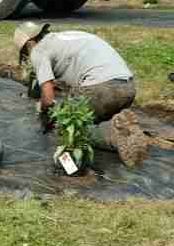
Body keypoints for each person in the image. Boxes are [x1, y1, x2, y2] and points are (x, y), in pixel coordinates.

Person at [14, 21, 147, 167]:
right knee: (89, 111)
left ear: (29, 43)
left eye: (25, 52)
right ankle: (118, 125)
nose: (28, 56)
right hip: (128, 88)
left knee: (68, 124)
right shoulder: (66, 37)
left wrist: (45, 113)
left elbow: (48, 97)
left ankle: (114, 137)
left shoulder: (39, 50)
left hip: (102, 89)